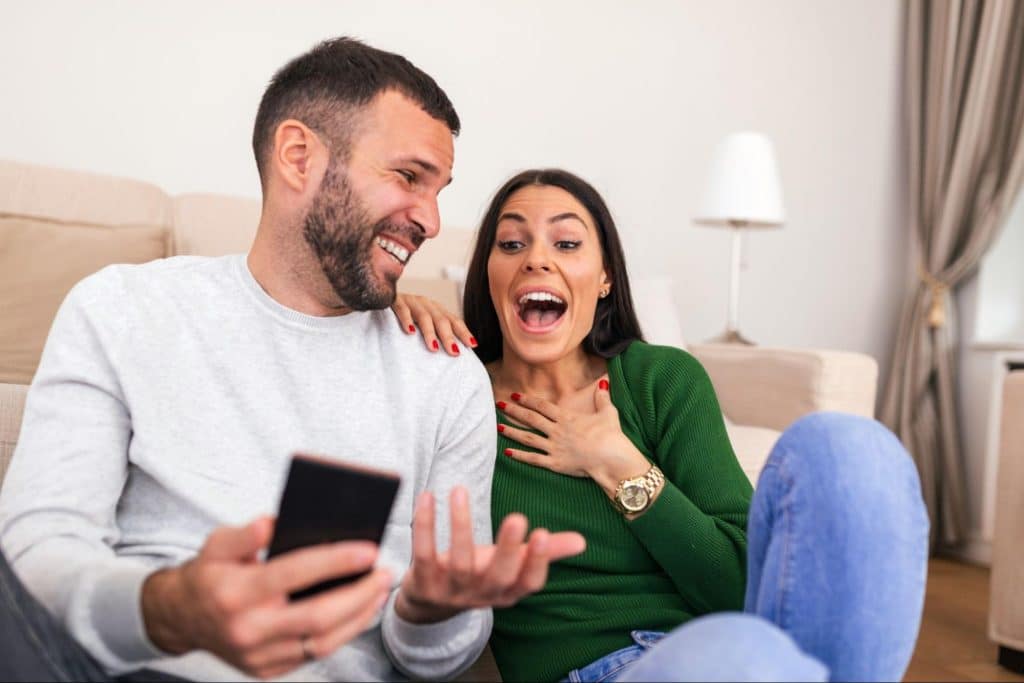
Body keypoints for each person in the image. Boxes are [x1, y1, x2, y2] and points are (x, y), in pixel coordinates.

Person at [0, 39, 585, 682]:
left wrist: (427, 611)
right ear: (299, 157)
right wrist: (169, 610)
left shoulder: (442, 375)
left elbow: (441, 655)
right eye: (409, 177)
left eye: (440, 189)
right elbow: (36, 556)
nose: (432, 219)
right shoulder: (122, 308)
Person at [391, 168, 930, 682]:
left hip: (731, 652)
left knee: (849, 446)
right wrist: (387, 311)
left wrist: (618, 464)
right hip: (603, 670)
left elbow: (740, 591)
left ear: (604, 278)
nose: (536, 259)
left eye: (567, 243)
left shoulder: (661, 380)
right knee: (745, 657)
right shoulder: (457, 396)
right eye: (511, 244)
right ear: (489, 276)